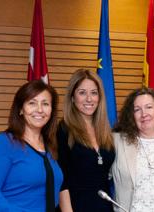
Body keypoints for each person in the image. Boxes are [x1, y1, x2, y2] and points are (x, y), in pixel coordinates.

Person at [0, 80, 63, 211]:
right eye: (32, 103)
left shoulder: (51, 144)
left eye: (45, 104)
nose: (40, 110)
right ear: (20, 109)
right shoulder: (5, 142)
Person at [57, 69, 115, 212]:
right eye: (82, 92)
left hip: (104, 207)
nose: (89, 99)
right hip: (75, 206)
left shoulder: (106, 131)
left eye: (94, 93)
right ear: (72, 97)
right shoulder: (64, 130)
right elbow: (62, 180)